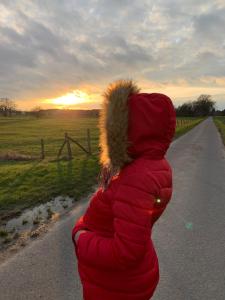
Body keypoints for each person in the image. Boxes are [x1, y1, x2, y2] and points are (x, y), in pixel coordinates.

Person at [71, 79, 176, 300]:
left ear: (128, 129)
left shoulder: (136, 178)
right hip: (128, 280)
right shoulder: (154, 165)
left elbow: (125, 253)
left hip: (117, 287)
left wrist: (81, 238)